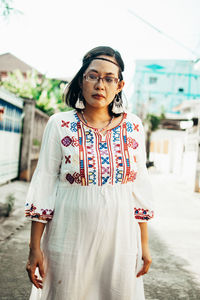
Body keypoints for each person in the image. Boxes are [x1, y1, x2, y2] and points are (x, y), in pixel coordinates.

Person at [25, 46, 154, 300]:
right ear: (82, 79)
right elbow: (45, 184)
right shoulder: (60, 124)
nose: (100, 85)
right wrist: (34, 248)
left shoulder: (133, 126)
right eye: (93, 76)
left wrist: (144, 245)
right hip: (67, 240)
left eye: (109, 78)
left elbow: (140, 188)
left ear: (119, 85)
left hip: (120, 242)